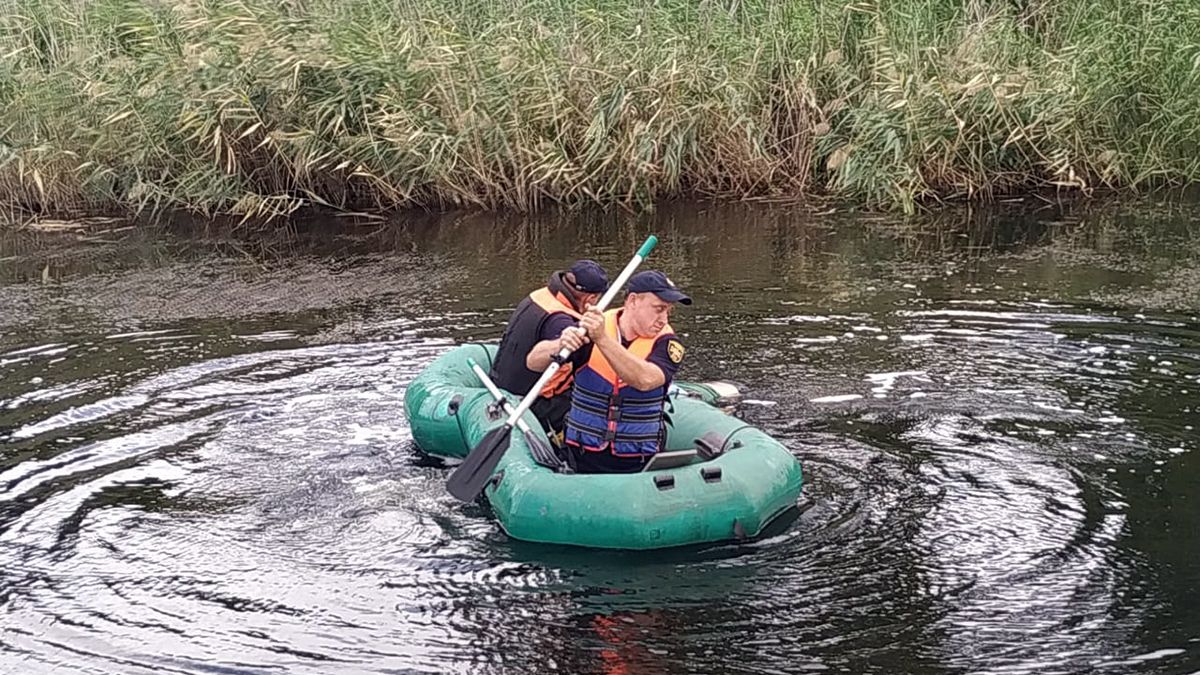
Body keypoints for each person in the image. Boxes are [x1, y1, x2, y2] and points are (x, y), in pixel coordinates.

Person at [564, 270, 691, 473]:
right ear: (633, 301)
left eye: (668, 311)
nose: (664, 319)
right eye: (659, 309)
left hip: (637, 459)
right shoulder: (589, 329)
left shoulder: (668, 344)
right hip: (583, 454)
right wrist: (559, 344)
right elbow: (533, 362)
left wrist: (602, 339)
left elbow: (645, 379)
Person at [489, 259, 609, 438]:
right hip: (534, 402)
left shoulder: (541, 296)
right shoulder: (563, 322)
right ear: (590, 299)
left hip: (502, 383)